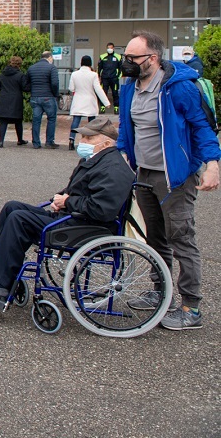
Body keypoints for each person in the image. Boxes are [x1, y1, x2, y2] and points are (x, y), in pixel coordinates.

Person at [0, 118, 133, 300]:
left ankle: (2, 285)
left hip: (85, 227)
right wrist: (59, 199)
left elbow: (101, 209)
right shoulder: (98, 160)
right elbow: (77, 190)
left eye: (89, 138)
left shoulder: (114, 169)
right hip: (74, 217)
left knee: (19, 218)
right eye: (83, 137)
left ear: (106, 143)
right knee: (11, 207)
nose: (82, 142)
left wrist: (67, 202)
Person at [116, 30, 220, 331]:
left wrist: (213, 165)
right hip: (145, 173)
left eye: (133, 58)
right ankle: (161, 292)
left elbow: (203, 128)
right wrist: (123, 154)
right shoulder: (129, 87)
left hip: (174, 177)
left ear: (153, 58)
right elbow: (127, 126)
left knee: (181, 239)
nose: (128, 63)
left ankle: (191, 307)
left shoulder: (179, 88)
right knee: (155, 237)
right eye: (126, 58)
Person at [67, 55, 110, 150]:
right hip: (90, 100)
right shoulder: (93, 75)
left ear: (81, 63)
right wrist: (106, 102)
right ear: (90, 64)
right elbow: (98, 89)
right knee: (92, 122)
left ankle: (71, 140)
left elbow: (71, 88)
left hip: (78, 100)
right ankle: (91, 141)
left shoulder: (74, 74)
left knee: (76, 121)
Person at [27, 51, 60, 149]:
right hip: (48, 96)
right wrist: (55, 94)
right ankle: (49, 142)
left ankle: (36, 143)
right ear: (49, 57)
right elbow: (55, 83)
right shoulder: (52, 68)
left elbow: (27, 83)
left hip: (35, 97)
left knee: (36, 120)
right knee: (51, 118)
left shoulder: (31, 68)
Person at [0, 57, 29, 147]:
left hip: (4, 98)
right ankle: (20, 140)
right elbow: (25, 88)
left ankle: (1, 141)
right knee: (18, 120)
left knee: (3, 121)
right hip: (15, 100)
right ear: (19, 64)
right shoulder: (20, 75)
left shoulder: (3, 74)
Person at [97, 43, 122, 114]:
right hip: (104, 78)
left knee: (115, 93)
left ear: (113, 48)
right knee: (103, 93)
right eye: (108, 48)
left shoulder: (118, 56)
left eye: (111, 48)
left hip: (114, 79)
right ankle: (102, 107)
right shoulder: (102, 56)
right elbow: (99, 68)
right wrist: (99, 76)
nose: (109, 49)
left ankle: (116, 108)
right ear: (106, 48)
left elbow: (121, 68)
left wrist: (118, 77)